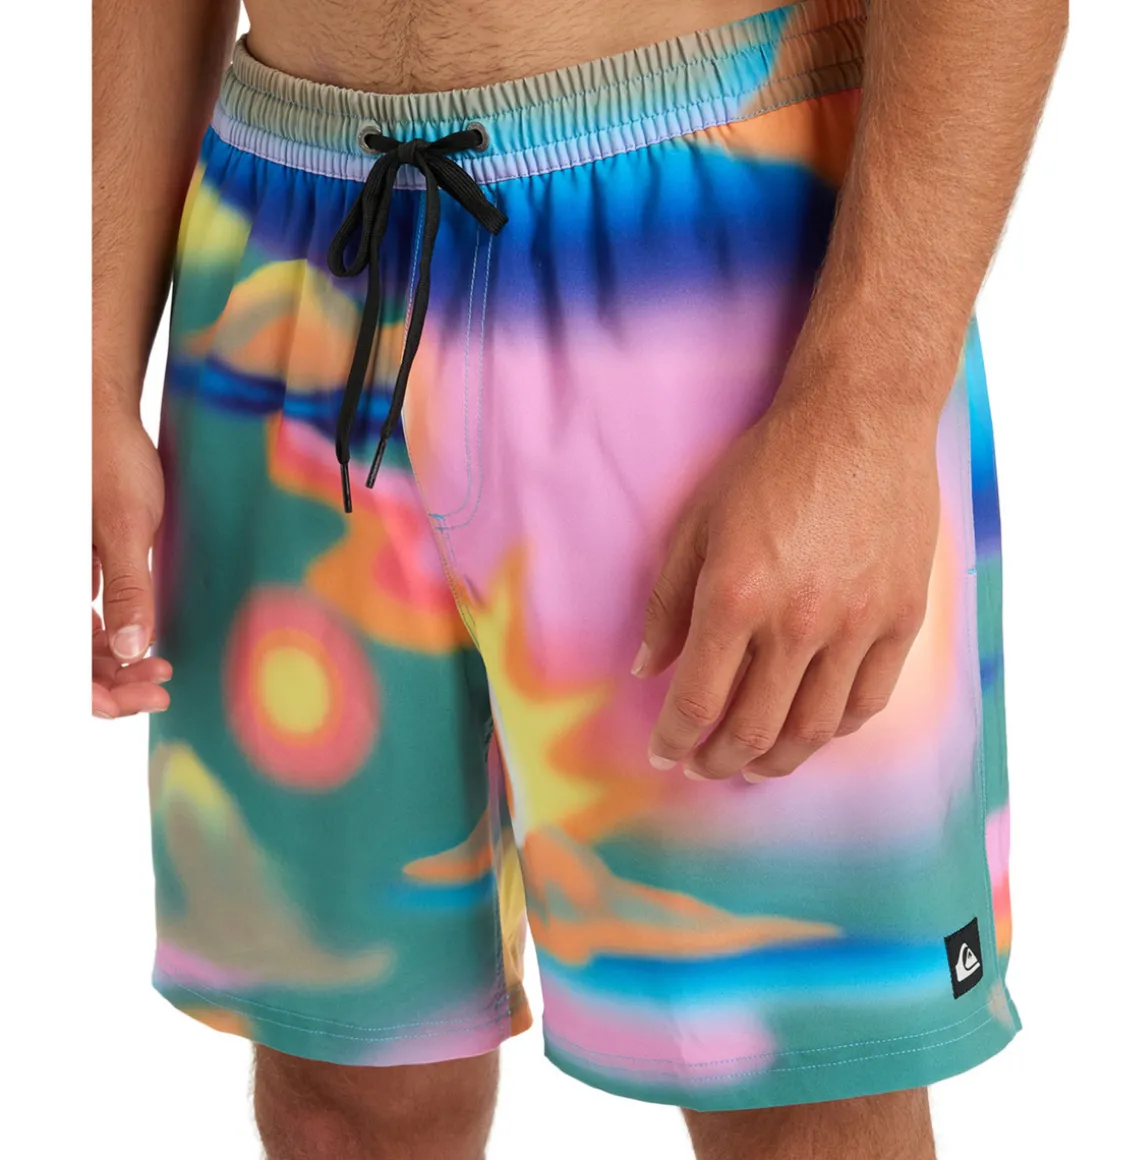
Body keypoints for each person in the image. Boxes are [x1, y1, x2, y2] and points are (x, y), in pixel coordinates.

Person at [92, 0, 1066, 1155]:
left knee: (797, 1076)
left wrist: (866, 405)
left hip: (705, 254)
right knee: (336, 1079)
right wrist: (91, 363)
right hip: (280, 254)